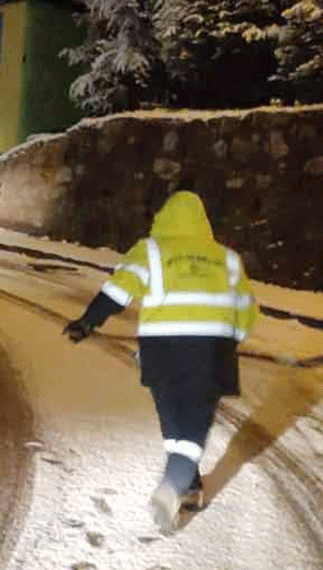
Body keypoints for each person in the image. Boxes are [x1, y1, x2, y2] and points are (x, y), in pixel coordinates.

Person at [63, 190, 258, 535]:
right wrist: (234, 339)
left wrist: (87, 322)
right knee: (195, 422)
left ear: (163, 219)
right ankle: (177, 485)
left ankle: (185, 482)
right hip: (211, 351)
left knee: (173, 417)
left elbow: (118, 291)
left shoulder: (151, 251)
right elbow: (246, 310)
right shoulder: (227, 259)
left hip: (161, 351)